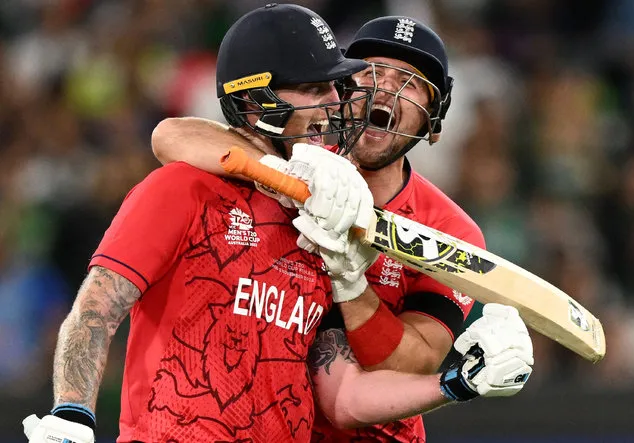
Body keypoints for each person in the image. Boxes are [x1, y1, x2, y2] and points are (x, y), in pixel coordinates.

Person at [24, 6, 534, 443]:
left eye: (410, 85)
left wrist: (451, 381)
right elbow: (97, 304)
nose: (359, 98)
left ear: (434, 120)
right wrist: (72, 411)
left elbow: (343, 396)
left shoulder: (329, 232)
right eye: (357, 78)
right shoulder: (192, 188)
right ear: (260, 100)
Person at [152, 15, 490, 442]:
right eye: (370, 72)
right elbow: (171, 135)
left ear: (431, 121)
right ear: (338, 89)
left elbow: (416, 362)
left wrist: (350, 282)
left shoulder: (449, 229)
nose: (384, 88)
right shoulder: (295, 157)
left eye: (409, 81)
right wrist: (284, 177)